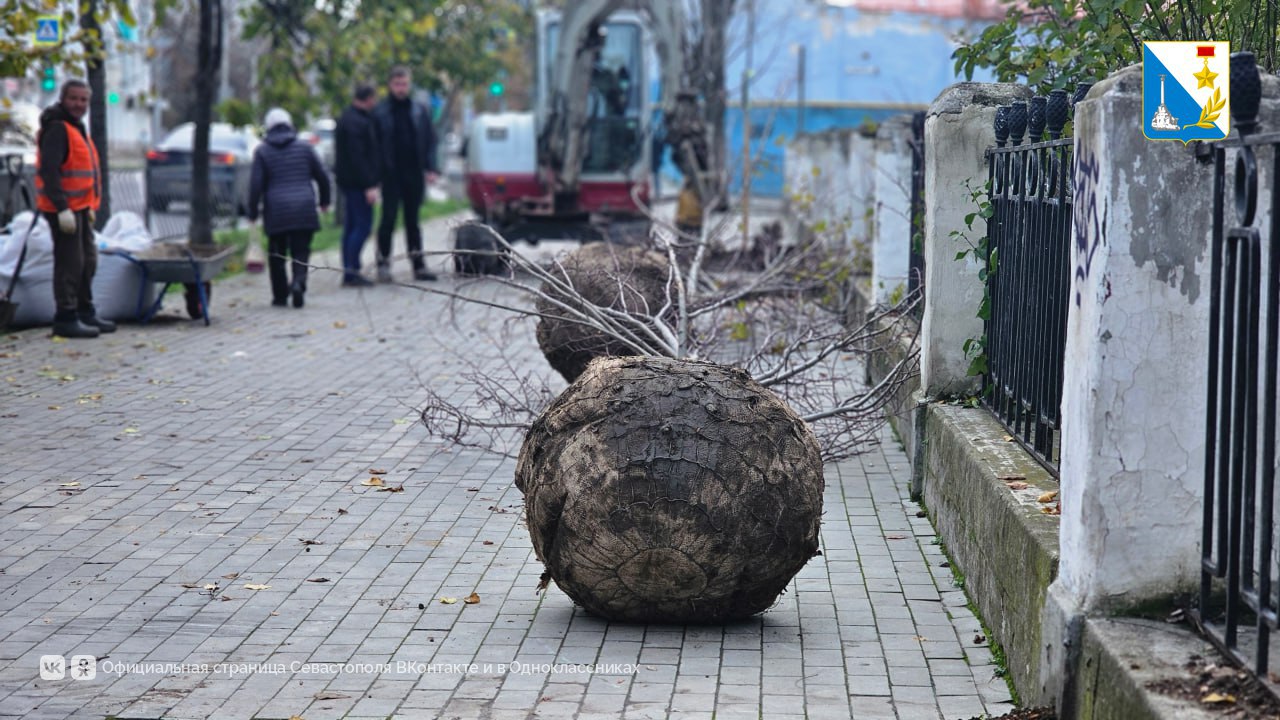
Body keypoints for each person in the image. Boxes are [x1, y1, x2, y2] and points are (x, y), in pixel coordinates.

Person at [35, 79, 112, 339]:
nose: (79, 104)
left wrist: (89, 206)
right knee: (70, 262)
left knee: (88, 260)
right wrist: (61, 208)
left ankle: (84, 310)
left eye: (83, 100)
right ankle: (66, 317)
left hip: (79, 208)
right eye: (74, 99)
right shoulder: (58, 128)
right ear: (62, 99)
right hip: (63, 209)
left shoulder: (76, 128)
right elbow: (50, 171)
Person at [248, 108, 331, 308]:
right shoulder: (305, 147)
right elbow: (322, 176)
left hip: (276, 211)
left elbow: (255, 185)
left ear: (268, 127)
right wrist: (324, 201)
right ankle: (298, 282)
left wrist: (252, 212)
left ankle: (280, 295)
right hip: (304, 208)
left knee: (277, 255)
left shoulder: (262, 151)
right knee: (301, 250)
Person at [372, 66, 439, 283]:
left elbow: (429, 141)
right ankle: (383, 264)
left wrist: (431, 168)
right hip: (391, 175)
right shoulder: (380, 112)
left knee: (413, 222)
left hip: (414, 173)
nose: (401, 88)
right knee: (388, 220)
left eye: (404, 84)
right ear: (390, 85)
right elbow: (374, 145)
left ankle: (418, 266)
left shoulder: (419, 110)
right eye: (397, 84)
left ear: (409, 85)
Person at [334, 83, 380, 287]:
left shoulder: (348, 117)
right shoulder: (357, 122)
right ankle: (351, 270)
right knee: (363, 225)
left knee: (351, 226)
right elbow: (359, 157)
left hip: (348, 181)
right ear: (368, 98)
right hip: (358, 183)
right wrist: (369, 185)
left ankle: (349, 268)